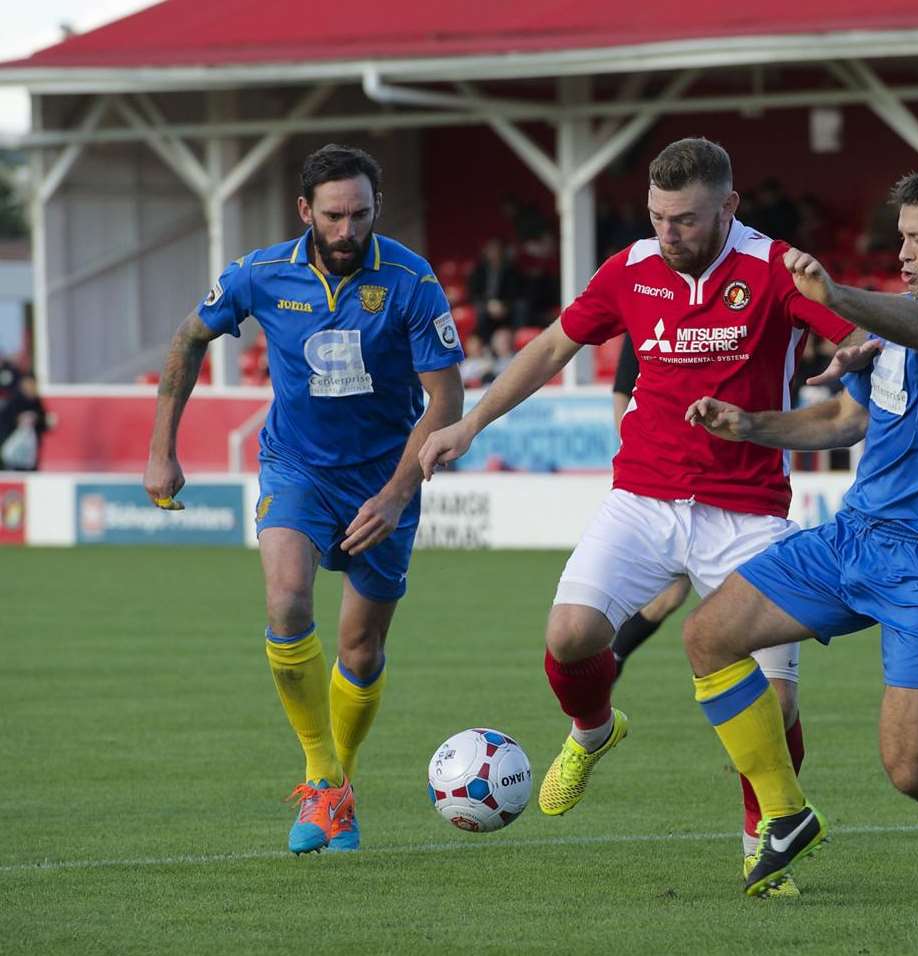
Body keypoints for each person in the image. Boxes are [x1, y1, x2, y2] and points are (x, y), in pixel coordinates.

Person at [418, 138, 857, 894]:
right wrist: (470, 424)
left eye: (685, 220)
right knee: (569, 636)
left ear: (729, 207)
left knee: (775, 699)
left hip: (748, 511)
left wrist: (853, 353)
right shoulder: (629, 269)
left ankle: (762, 840)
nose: (668, 234)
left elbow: (858, 341)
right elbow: (555, 343)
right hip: (641, 498)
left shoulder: (777, 269)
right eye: (657, 217)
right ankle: (592, 731)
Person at [681, 161, 918, 900]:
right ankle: (785, 812)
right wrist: (751, 426)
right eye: (899, 237)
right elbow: (846, 419)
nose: (901, 253)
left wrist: (837, 298)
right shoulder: (894, 323)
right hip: (850, 541)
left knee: (912, 771)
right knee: (707, 636)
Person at [143, 144, 465, 854]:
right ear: (304, 212)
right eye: (333, 216)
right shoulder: (259, 275)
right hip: (296, 468)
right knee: (286, 600)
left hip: (386, 479)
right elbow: (189, 338)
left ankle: (336, 792)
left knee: (361, 646)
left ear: (375, 208)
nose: (347, 230)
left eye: (360, 214)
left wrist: (396, 492)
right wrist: (162, 446)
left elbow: (446, 401)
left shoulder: (410, 281)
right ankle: (323, 774)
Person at [609, 334, 691, 678]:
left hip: (716, 480)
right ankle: (611, 659)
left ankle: (612, 658)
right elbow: (621, 391)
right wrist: (636, 452)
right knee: (671, 595)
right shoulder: (646, 318)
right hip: (660, 479)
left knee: (673, 596)